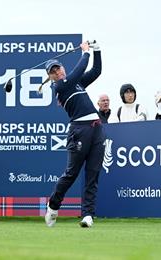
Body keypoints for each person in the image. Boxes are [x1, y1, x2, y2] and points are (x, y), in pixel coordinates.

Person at [43, 41, 104, 228]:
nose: (57, 72)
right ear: (51, 77)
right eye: (53, 72)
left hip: (96, 129)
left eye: (58, 68)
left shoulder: (76, 82)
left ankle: (88, 215)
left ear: (62, 67)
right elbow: (79, 70)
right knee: (71, 173)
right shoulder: (60, 87)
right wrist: (85, 52)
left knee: (93, 174)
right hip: (79, 131)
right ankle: (53, 205)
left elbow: (96, 71)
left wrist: (97, 50)